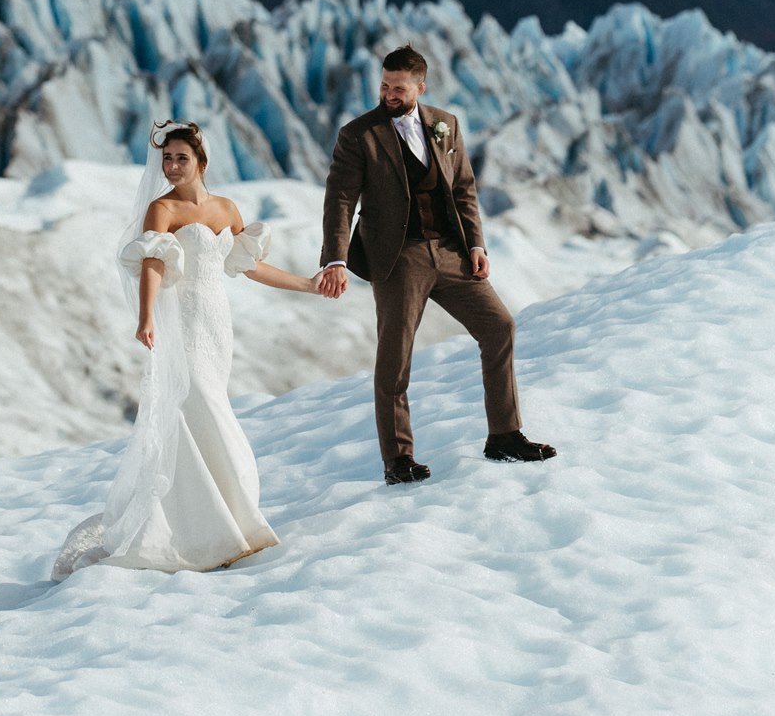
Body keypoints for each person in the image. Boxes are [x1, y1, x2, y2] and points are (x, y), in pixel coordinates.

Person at [51, 120, 327, 577]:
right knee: (197, 409)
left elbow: (249, 265)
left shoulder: (225, 208)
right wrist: (145, 318)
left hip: (217, 325)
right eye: (167, 159)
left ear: (201, 161)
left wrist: (307, 285)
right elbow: (153, 266)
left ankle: (217, 525)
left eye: (181, 158)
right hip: (180, 325)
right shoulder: (162, 210)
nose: (173, 166)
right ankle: (211, 531)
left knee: (206, 411)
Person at [319, 44, 557, 484]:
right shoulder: (358, 134)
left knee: (498, 326)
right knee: (395, 358)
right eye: (384, 85)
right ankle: (398, 459)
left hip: (449, 251)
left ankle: (504, 435)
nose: (389, 94)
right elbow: (340, 199)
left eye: (398, 87)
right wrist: (334, 258)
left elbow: (464, 188)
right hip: (398, 257)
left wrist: (475, 245)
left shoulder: (446, 124)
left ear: (420, 86)